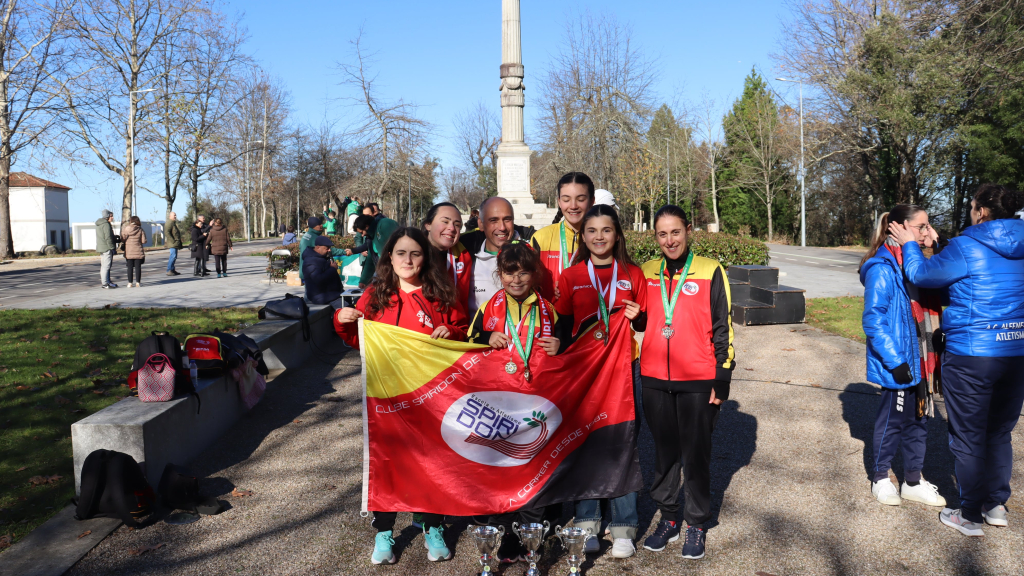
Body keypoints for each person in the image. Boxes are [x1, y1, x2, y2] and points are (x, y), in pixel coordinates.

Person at [888, 184, 1024, 537]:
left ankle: (969, 516)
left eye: (972, 207)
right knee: (998, 433)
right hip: (1016, 351)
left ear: (981, 212)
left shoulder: (967, 246)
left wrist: (909, 244)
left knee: (969, 437)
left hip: (972, 355)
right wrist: (941, 244)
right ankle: (994, 505)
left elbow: (921, 275)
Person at [333, 227, 467, 565]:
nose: (408, 260)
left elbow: (463, 331)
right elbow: (357, 338)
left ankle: (432, 526)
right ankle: (383, 533)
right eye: (401, 253)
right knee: (388, 461)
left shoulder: (440, 293)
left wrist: (449, 331)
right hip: (387, 396)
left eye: (415, 253)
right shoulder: (376, 294)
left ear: (425, 258)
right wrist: (343, 319)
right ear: (389, 257)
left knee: (432, 460)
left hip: (431, 396)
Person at [639, 205, 734, 560]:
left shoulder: (710, 270)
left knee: (695, 456)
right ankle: (669, 517)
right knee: (664, 456)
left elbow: (724, 326)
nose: (669, 240)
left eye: (675, 232)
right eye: (662, 234)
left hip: (698, 377)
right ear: (656, 237)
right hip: (653, 378)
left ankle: (696, 523)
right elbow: (642, 321)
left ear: (688, 230)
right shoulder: (647, 272)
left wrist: (722, 378)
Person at [554, 204, 646, 558]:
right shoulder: (571, 275)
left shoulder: (632, 274)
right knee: (585, 441)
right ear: (583, 236)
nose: (599, 237)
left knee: (623, 441)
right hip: (584, 372)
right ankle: (587, 522)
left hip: (625, 368)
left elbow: (645, 326)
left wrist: (639, 318)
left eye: (606, 230)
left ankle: (624, 527)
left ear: (617, 234)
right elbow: (562, 326)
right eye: (591, 231)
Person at [467, 240, 565, 564]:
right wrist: (485, 337)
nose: (517, 280)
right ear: (500, 274)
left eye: (524, 273)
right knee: (503, 474)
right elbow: (467, 345)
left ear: (534, 274)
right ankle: (509, 536)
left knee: (533, 472)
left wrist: (559, 344)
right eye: (509, 274)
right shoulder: (489, 307)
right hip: (500, 407)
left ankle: (531, 539)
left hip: (536, 409)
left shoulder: (548, 308)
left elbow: (568, 352)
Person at [858, 205, 946, 509]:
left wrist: (936, 242)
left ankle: (912, 481)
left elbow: (945, 284)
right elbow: (873, 320)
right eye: (921, 226)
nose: (926, 230)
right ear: (898, 228)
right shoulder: (882, 267)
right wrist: (896, 362)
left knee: (918, 422)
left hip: (920, 359)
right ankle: (880, 478)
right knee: (892, 421)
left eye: (927, 225)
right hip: (900, 361)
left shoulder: (919, 263)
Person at [459, 197, 535, 312]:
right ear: (480, 223)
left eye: (507, 219)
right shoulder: (466, 258)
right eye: (494, 220)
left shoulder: (531, 252)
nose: (502, 227)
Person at [531, 172, 596, 301]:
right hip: (550, 317)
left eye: (581, 199)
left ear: (591, 201)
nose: (573, 206)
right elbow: (526, 282)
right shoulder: (541, 238)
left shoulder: (601, 239)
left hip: (591, 318)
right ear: (559, 202)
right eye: (566, 200)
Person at [422, 202, 472, 310]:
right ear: (428, 225)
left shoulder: (464, 255)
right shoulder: (410, 253)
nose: (452, 228)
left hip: (454, 324)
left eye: (457, 224)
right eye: (445, 221)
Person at [348, 212, 398, 288]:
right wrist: (364, 280)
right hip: (386, 272)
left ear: (367, 227)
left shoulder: (385, 224)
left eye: (362, 232)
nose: (362, 235)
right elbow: (370, 260)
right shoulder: (372, 238)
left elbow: (397, 244)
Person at [299, 217, 346, 284]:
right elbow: (328, 250)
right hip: (312, 271)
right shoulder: (314, 237)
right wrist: (344, 251)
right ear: (313, 226)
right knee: (313, 292)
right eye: (319, 224)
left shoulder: (306, 236)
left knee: (309, 291)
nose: (322, 225)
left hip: (305, 270)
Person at [303, 235, 343, 304]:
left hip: (331, 294)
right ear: (318, 247)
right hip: (321, 296)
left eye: (330, 248)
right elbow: (318, 279)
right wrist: (333, 269)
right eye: (327, 248)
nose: (329, 250)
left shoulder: (323, 257)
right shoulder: (311, 261)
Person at [120, 216, 147, 288]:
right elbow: (144, 241)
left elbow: (122, 239)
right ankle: (138, 282)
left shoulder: (126, 229)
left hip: (129, 251)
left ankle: (130, 283)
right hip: (138, 251)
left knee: (130, 267)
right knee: (138, 267)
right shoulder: (140, 229)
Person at [96, 209, 118, 289]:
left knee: (103, 266)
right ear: (107, 216)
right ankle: (105, 283)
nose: (112, 218)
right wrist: (112, 248)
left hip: (101, 247)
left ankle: (106, 282)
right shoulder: (106, 225)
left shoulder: (99, 224)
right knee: (106, 266)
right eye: (111, 216)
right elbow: (108, 237)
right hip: (106, 248)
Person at [165, 211, 182, 276]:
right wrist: (173, 241)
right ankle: (169, 270)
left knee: (174, 256)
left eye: (175, 215)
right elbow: (167, 232)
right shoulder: (169, 223)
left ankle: (172, 269)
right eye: (174, 215)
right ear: (170, 216)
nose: (175, 216)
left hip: (175, 243)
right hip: (172, 243)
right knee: (173, 256)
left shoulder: (173, 223)